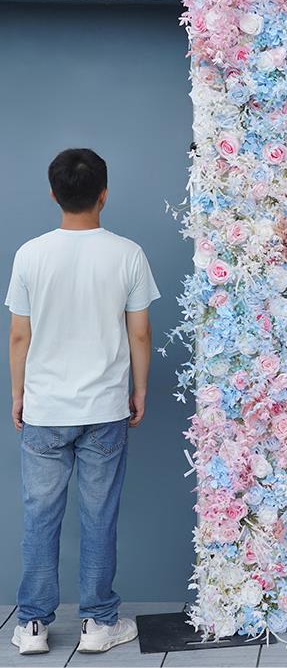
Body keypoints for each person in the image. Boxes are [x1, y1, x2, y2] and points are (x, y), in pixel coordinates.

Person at [5, 148, 160, 655]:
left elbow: (19, 338)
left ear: (54, 194)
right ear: (104, 193)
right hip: (104, 409)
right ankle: (98, 623)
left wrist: (18, 393)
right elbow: (140, 335)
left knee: (40, 517)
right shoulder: (128, 254)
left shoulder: (30, 254)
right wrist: (138, 391)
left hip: (46, 409)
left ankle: (32, 626)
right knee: (99, 515)